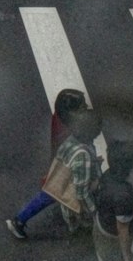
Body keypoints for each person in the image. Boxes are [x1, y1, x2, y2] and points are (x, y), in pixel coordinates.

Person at [6, 87, 88, 239]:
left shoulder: (60, 119)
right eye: (82, 107)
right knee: (56, 193)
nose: (86, 109)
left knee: (52, 193)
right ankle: (20, 220)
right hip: (67, 165)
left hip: (62, 162)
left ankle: (20, 220)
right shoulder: (69, 131)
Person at [42, 108, 105, 261]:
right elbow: (81, 192)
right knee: (82, 238)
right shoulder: (83, 155)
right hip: (78, 210)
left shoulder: (70, 142)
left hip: (67, 203)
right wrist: (93, 212)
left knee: (77, 238)